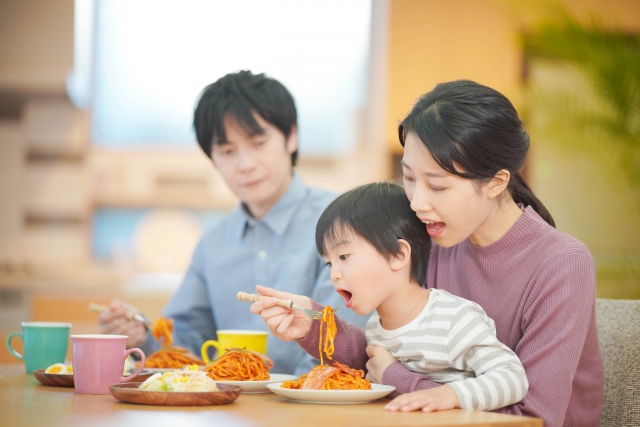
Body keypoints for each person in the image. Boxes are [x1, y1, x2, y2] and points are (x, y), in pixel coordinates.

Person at [250, 80, 603, 426]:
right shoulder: (434, 240)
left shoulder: (562, 264)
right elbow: (385, 355)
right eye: (409, 178)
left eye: (437, 185)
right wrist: (314, 325)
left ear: (496, 182)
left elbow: (532, 417)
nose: (417, 203)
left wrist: (401, 381)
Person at [97, 70, 368, 375]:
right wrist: (142, 337)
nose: (245, 164)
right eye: (227, 151)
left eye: (258, 142)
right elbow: (186, 343)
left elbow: (342, 345)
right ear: (212, 159)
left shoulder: (345, 224)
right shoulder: (212, 244)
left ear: (291, 136)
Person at [315, 181, 528, 411]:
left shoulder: (453, 319)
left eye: (344, 257)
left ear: (397, 254)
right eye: (329, 263)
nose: (334, 275)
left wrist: (449, 395)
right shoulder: (376, 328)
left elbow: (513, 378)